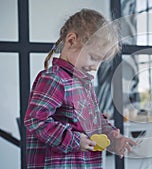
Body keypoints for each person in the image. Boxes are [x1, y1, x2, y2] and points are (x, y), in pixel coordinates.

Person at [24, 8, 136, 169]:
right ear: (71, 41)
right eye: (93, 57)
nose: (95, 67)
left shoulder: (85, 84)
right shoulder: (54, 79)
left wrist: (113, 137)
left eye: (100, 62)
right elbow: (35, 120)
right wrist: (74, 140)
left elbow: (94, 119)